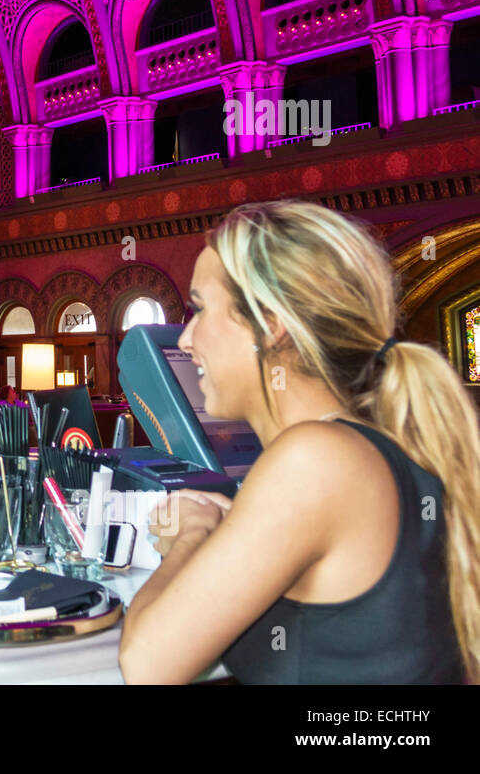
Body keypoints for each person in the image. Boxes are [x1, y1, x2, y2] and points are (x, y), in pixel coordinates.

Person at [119, 200, 478, 684]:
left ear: (269, 324)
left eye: (200, 309)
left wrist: (194, 534)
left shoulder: (315, 459)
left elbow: (147, 664)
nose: (185, 340)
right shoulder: (370, 444)